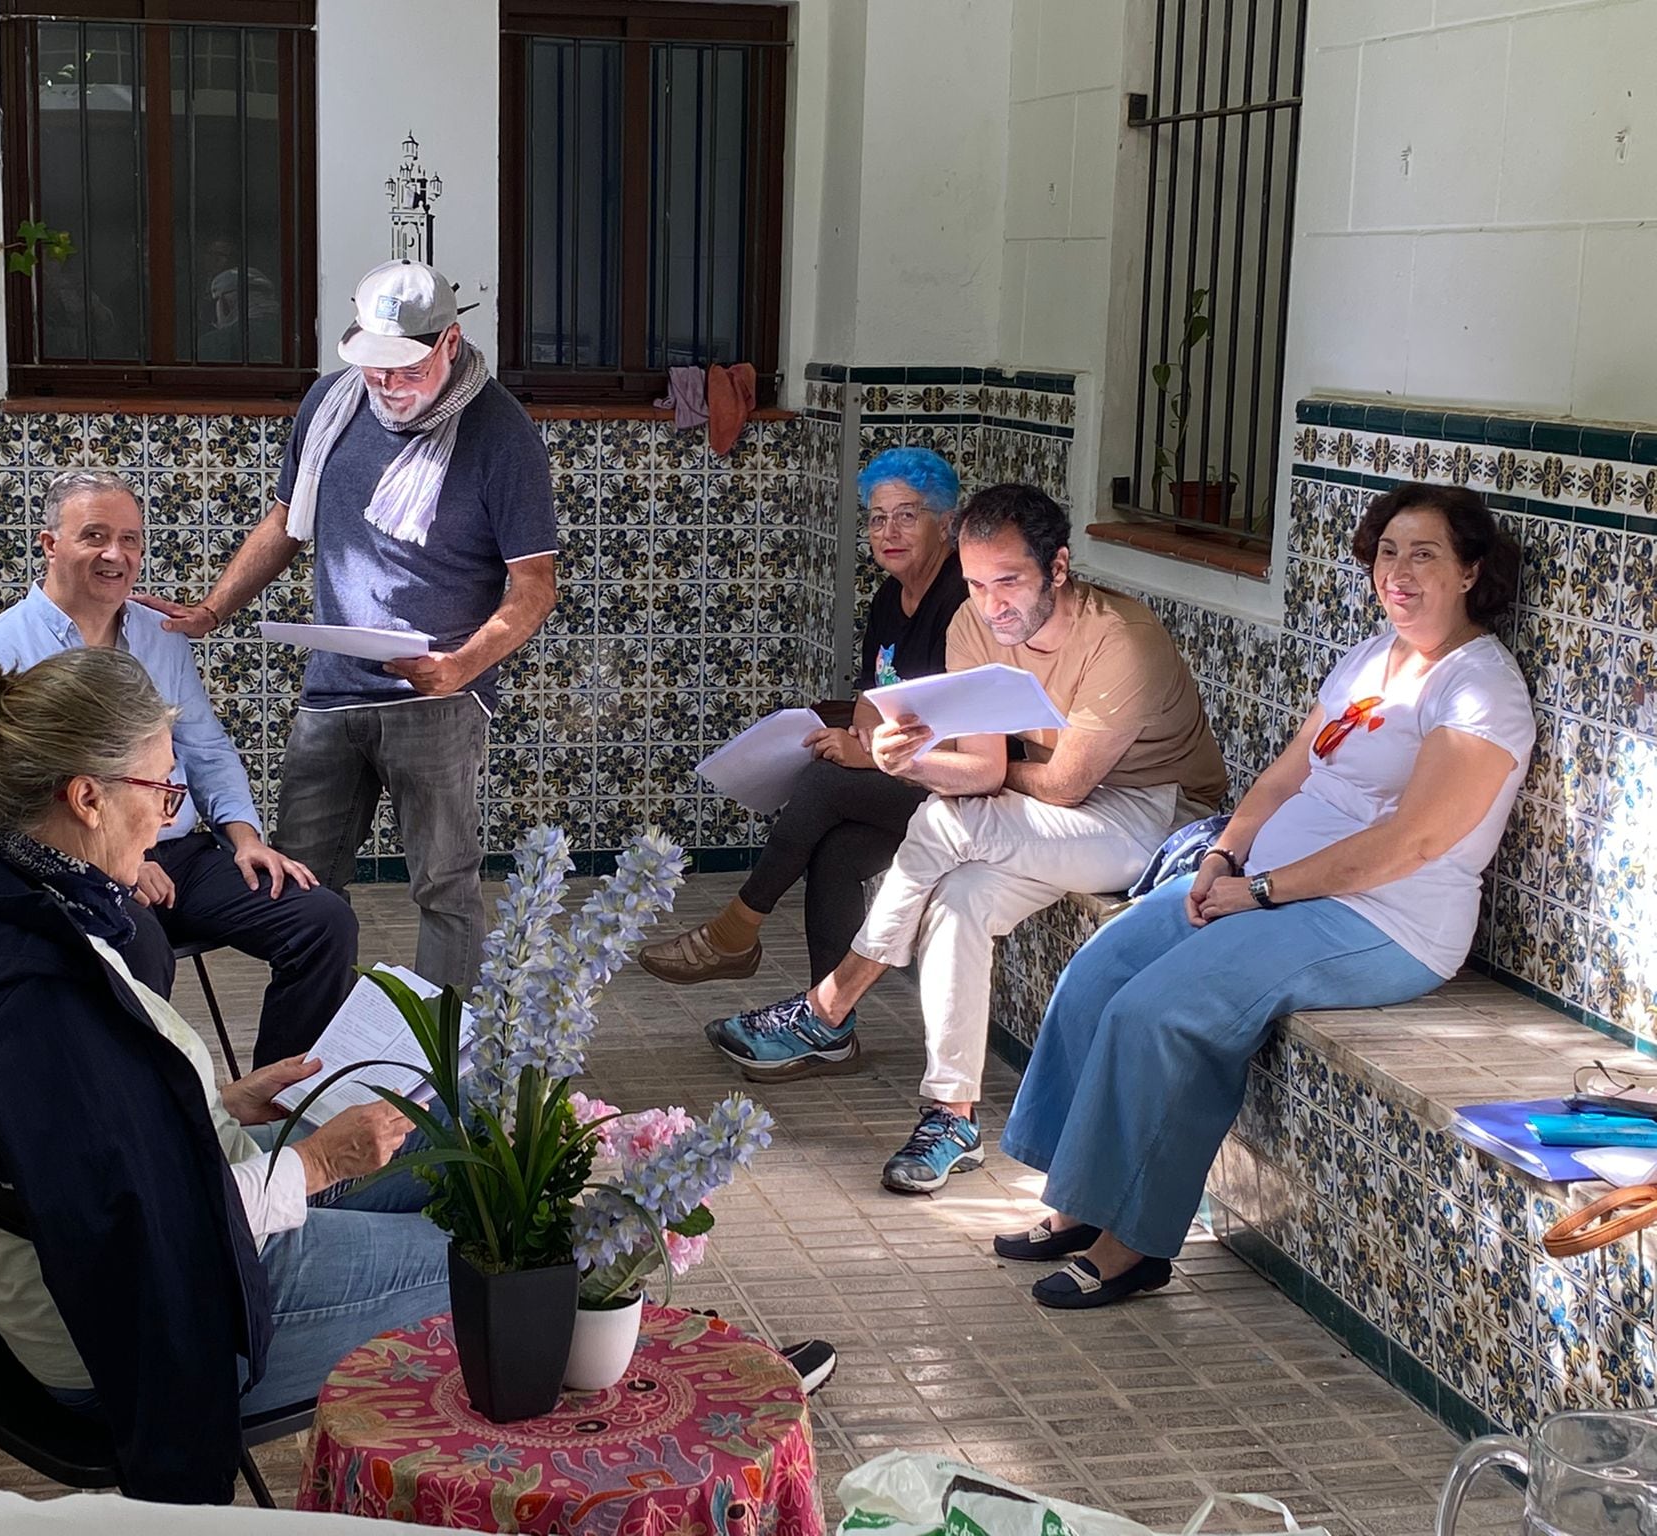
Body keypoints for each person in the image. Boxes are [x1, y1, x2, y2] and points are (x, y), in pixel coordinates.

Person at [0, 648, 448, 1504]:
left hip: (116, 1251)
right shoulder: (42, 1004)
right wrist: (320, 1164)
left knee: (442, 1150)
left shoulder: (6, 902)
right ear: (87, 795)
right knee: (505, 1252)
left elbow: (94, 1146)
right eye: (163, 793)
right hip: (124, 1322)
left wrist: (217, 1100)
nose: (171, 818)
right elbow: (144, 1229)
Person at [994, 482, 1532, 1309]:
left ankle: (1132, 1243)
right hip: (1265, 887)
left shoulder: (1479, 690)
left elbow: (1411, 843)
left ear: (1470, 572)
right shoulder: (1373, 658)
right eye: (1388, 552)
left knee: (1164, 1010)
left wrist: (1264, 890)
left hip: (1383, 919)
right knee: (1102, 968)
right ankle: (1078, 1201)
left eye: (1425, 555)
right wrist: (1224, 853)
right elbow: (1288, 773)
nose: (1399, 572)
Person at [708, 484, 1227, 1197]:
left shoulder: (1121, 640)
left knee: (948, 821)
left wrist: (959, 781)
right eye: (979, 583)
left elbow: (1066, 785)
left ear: (1059, 567)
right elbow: (980, 767)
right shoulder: (973, 624)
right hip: (1044, 814)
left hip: (1157, 819)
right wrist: (905, 759)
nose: (993, 603)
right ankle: (951, 1116)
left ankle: (828, 1007)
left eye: (1009, 581)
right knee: (958, 896)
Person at [144, 260, 557, 992]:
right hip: (332, 692)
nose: (387, 388)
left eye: (404, 371)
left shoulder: (501, 434)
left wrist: (461, 666)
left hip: (436, 697)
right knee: (301, 887)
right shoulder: (331, 404)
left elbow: (534, 587)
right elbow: (285, 525)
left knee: (444, 890)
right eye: (374, 369)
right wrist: (212, 610)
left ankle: (443, 1073)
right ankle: (312, 1062)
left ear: (450, 344)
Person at [0, 470, 357, 1068]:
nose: (115, 554)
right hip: (70, 871)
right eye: (94, 535)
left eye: (131, 539)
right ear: (49, 544)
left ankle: (280, 1114)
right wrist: (108, 863)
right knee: (138, 946)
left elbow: (205, 747)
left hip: (177, 853)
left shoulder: (159, 636)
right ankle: (150, 1130)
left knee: (321, 918)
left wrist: (245, 838)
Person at [640, 446, 968, 987]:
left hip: (960, 784)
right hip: (907, 778)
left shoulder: (959, 603)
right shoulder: (891, 596)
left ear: (947, 525)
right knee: (836, 853)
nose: (890, 531)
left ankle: (735, 931)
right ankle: (829, 1026)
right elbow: (874, 696)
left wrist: (862, 756)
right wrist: (854, 737)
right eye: (878, 518)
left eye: (909, 516)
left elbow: (960, 741)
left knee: (825, 783)